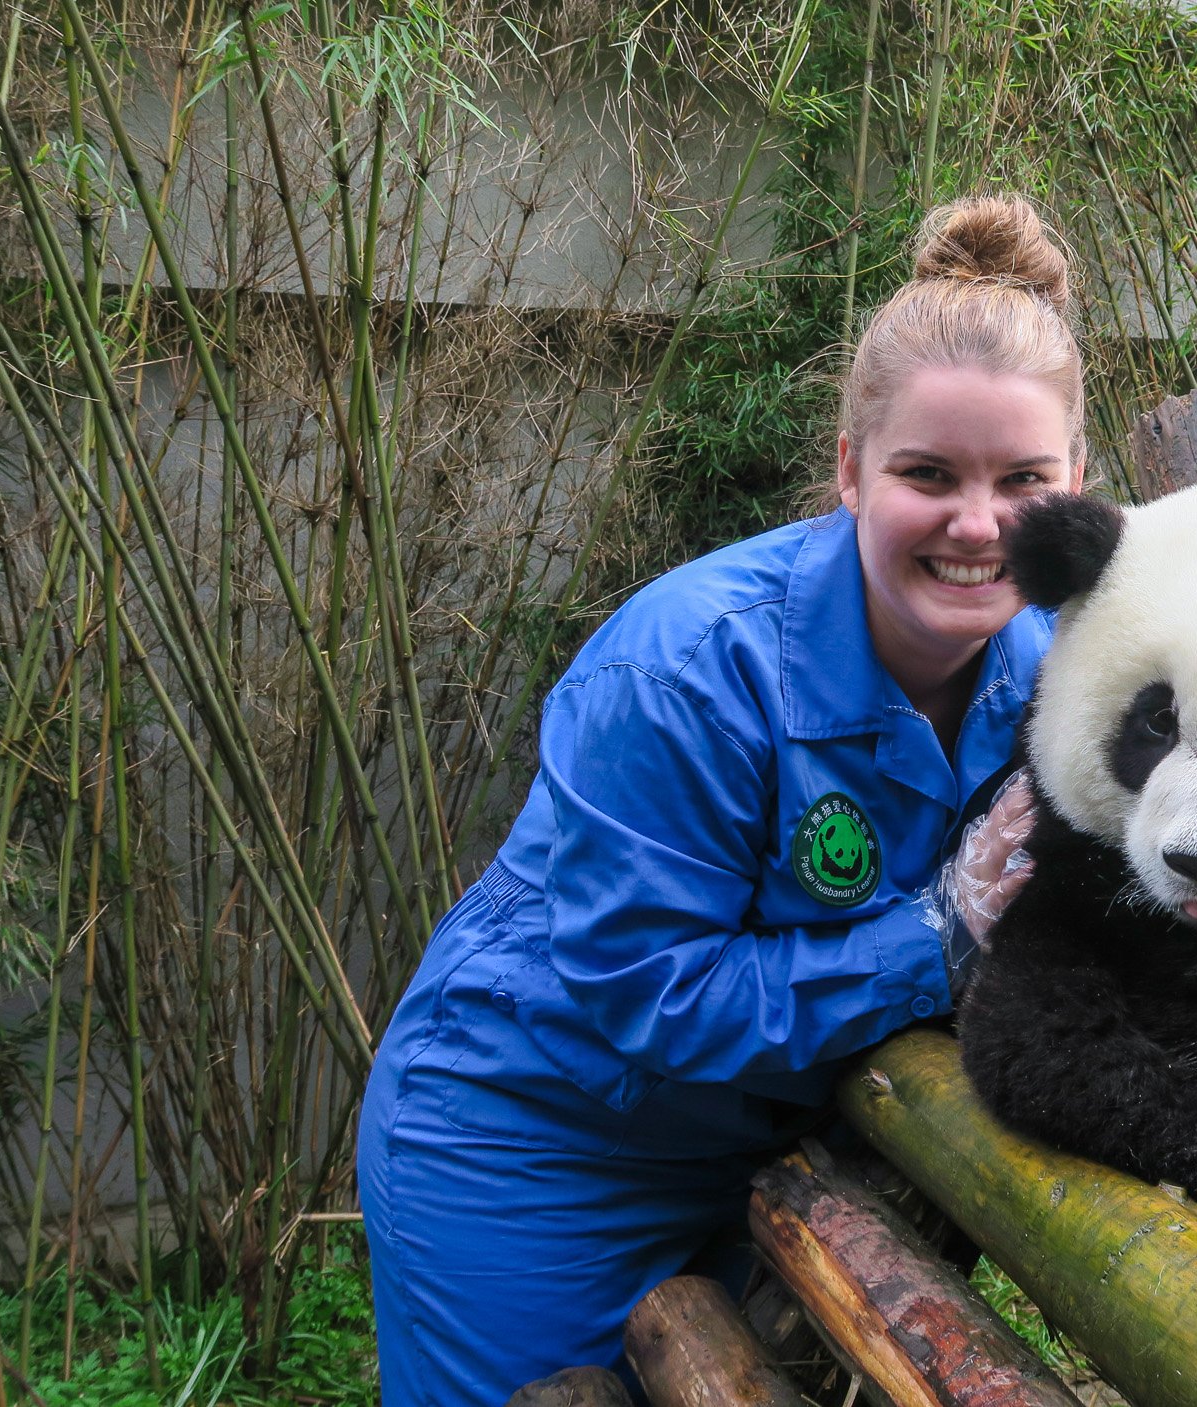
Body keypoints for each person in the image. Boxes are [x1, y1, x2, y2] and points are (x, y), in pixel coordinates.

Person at [356, 194, 1087, 1406]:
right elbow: (650, 993)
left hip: (770, 1147)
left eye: (1023, 478)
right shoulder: (685, 669)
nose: (977, 524)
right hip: (534, 1138)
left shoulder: (1068, 664)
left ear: (1075, 484)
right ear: (850, 470)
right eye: (927, 473)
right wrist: (934, 938)